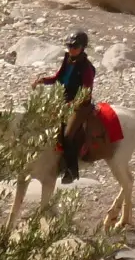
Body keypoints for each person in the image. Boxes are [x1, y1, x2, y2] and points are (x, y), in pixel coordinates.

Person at [34, 30, 97, 183]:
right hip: (63, 100)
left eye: (75, 47)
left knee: (68, 135)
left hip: (80, 105)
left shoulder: (87, 68)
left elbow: (86, 92)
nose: (71, 49)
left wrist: (72, 104)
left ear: (83, 47)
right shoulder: (67, 59)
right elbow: (58, 77)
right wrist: (43, 80)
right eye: (69, 46)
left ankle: (71, 170)